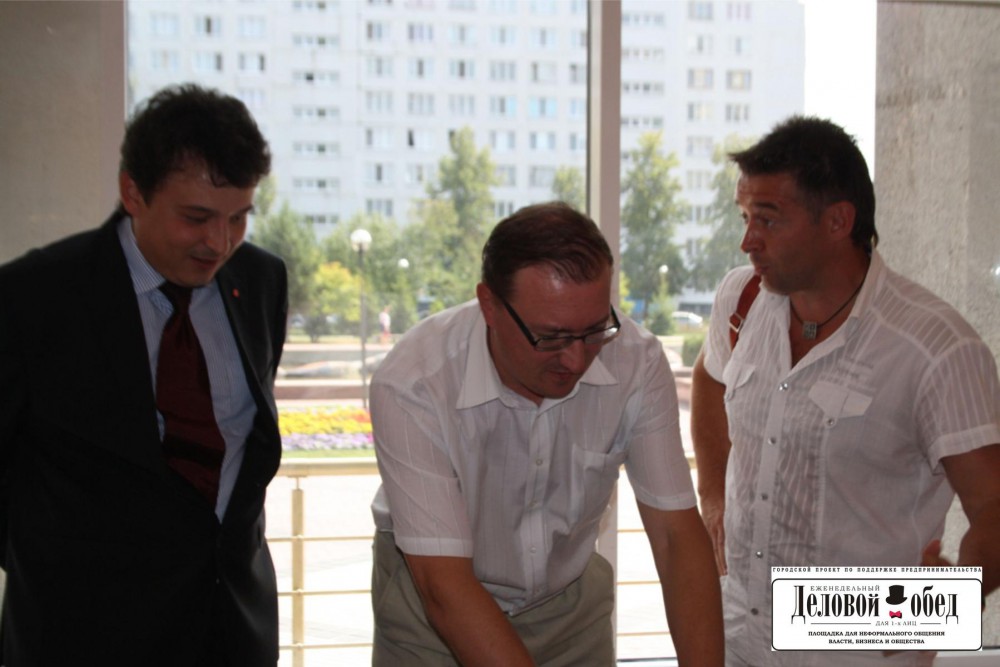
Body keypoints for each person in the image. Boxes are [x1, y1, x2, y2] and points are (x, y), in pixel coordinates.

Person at [691, 116, 1000, 666]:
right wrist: (713, 494)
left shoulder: (935, 347)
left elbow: (994, 508)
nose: (747, 241)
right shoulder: (741, 300)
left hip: (856, 646)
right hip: (736, 635)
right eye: (745, 217)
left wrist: (948, 601)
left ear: (837, 221)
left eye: (768, 219)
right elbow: (710, 377)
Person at [0, 84, 288, 666]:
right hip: (80, 638)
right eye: (197, 217)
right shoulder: (33, 297)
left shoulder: (260, 282)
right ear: (133, 192)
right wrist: (60, 570)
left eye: (239, 218)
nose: (220, 243)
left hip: (232, 630)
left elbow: (243, 448)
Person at [369, 202, 724, 666]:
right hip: (433, 614)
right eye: (551, 337)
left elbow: (676, 539)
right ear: (489, 305)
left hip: (569, 612)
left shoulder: (635, 360)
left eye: (594, 330)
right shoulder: (414, 382)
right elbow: (444, 587)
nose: (576, 361)